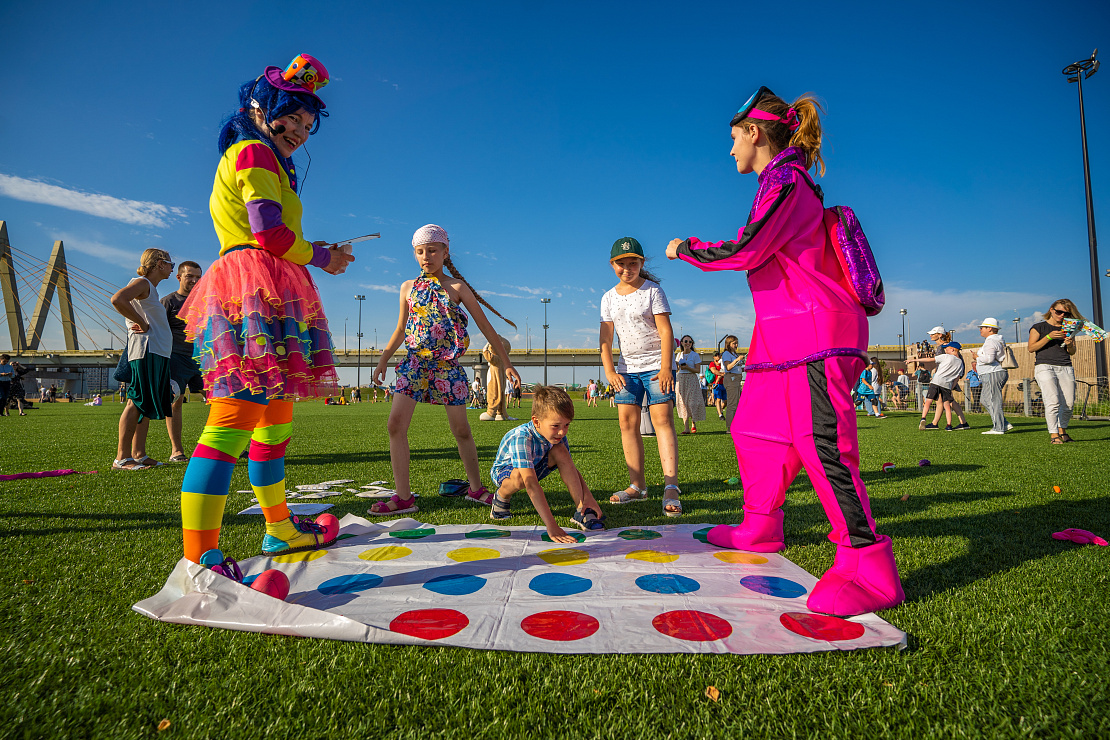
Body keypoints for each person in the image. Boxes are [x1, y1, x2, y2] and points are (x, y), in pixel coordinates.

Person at [666, 85, 903, 615]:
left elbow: (748, 247)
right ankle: (760, 525)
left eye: (733, 139)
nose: (730, 151)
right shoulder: (779, 181)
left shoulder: (788, 181)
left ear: (753, 133)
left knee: (822, 444)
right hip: (780, 334)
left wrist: (688, 249)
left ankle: (869, 566)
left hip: (817, 332)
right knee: (754, 429)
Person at [175, 53, 350, 565]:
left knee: (274, 421)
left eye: (307, 123)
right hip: (253, 287)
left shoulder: (269, 158)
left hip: (270, 286)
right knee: (233, 420)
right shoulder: (253, 152)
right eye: (291, 117)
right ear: (260, 108)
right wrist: (324, 257)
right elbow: (268, 234)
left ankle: (280, 530)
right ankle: (200, 557)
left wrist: (309, 248)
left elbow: (273, 232)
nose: (299, 129)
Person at [371, 224, 520, 516]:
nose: (426, 256)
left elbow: (486, 326)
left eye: (432, 251)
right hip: (414, 363)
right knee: (395, 426)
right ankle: (403, 497)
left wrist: (508, 363)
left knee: (461, 430)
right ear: (414, 254)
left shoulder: (457, 288)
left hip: (447, 367)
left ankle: (476, 490)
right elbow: (401, 329)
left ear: (445, 252)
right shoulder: (407, 288)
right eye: (420, 252)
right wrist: (384, 358)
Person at [600, 237, 682, 517]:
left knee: (662, 421)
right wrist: (610, 370)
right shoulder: (608, 297)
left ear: (641, 263)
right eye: (621, 263)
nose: (627, 268)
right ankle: (637, 486)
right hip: (625, 370)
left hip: (656, 368)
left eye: (633, 263)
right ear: (613, 265)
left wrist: (665, 367)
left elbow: (666, 332)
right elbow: (606, 339)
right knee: (627, 424)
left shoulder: (653, 291)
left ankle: (671, 486)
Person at [489, 386, 606, 539]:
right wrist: (552, 526)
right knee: (520, 477)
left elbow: (571, 468)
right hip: (507, 472)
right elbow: (530, 482)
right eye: (556, 426)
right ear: (536, 422)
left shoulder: (558, 436)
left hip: (535, 467)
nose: (562, 432)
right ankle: (501, 497)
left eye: (566, 425)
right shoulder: (522, 437)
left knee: (561, 451)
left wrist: (588, 497)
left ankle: (581, 510)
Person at [110, 249, 176, 470]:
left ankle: (138, 454)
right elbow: (118, 299)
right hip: (146, 350)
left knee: (146, 402)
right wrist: (142, 323)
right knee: (136, 400)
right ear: (159, 264)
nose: (172, 267)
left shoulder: (151, 289)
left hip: (157, 351)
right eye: (170, 263)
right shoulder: (142, 283)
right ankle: (122, 458)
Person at [161, 261, 204, 462]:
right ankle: (176, 451)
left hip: (203, 358)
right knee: (175, 402)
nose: (194, 281)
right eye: (190, 276)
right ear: (179, 277)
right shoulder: (168, 301)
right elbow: (155, 329)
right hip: (176, 358)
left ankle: (229, 448)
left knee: (220, 401)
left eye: (198, 277)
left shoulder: (207, 300)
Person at [1030, 298, 1083, 443]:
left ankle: (1062, 431)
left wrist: (1070, 344)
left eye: (1066, 313)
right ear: (1051, 310)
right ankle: (1054, 435)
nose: (1062, 315)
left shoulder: (1069, 328)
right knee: (1052, 400)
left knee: (1069, 403)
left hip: (1065, 366)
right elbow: (1031, 348)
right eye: (1059, 312)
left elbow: (1072, 352)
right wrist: (1048, 337)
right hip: (1044, 366)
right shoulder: (1039, 327)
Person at [923, 342, 970, 430]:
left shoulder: (947, 354)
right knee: (945, 402)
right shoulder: (956, 359)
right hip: (948, 381)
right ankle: (939, 423)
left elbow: (933, 360)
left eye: (933, 334)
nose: (931, 336)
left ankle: (959, 423)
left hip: (943, 380)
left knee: (948, 402)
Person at [976, 318, 1010, 435]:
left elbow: (989, 359)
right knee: (985, 400)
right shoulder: (996, 340)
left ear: (989, 329)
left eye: (982, 327)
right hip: (992, 373)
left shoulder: (991, 341)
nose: (980, 330)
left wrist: (977, 356)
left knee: (992, 400)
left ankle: (999, 427)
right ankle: (1003, 423)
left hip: (992, 372)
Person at [675, 335, 704, 434]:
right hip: (681, 379)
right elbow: (677, 369)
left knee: (692, 402)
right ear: (682, 343)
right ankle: (686, 427)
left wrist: (687, 367)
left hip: (691, 378)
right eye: (686, 341)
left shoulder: (695, 355)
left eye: (690, 342)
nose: (688, 343)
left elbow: (697, 370)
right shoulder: (679, 355)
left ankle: (693, 423)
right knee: (682, 402)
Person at [720, 335, 745, 428]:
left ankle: (734, 425)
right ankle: (730, 427)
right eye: (734, 343)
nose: (736, 345)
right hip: (731, 379)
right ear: (728, 344)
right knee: (732, 404)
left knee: (736, 403)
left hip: (736, 379)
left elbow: (736, 368)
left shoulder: (734, 354)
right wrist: (738, 360)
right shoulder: (727, 354)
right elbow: (728, 367)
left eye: (737, 343)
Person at [708, 351, 726, 419]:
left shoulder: (723, 362)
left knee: (726, 400)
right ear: (713, 357)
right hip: (717, 384)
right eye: (716, 355)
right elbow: (714, 371)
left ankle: (720, 410)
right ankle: (720, 415)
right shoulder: (712, 364)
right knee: (718, 399)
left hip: (724, 383)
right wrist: (722, 374)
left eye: (718, 355)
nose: (718, 356)